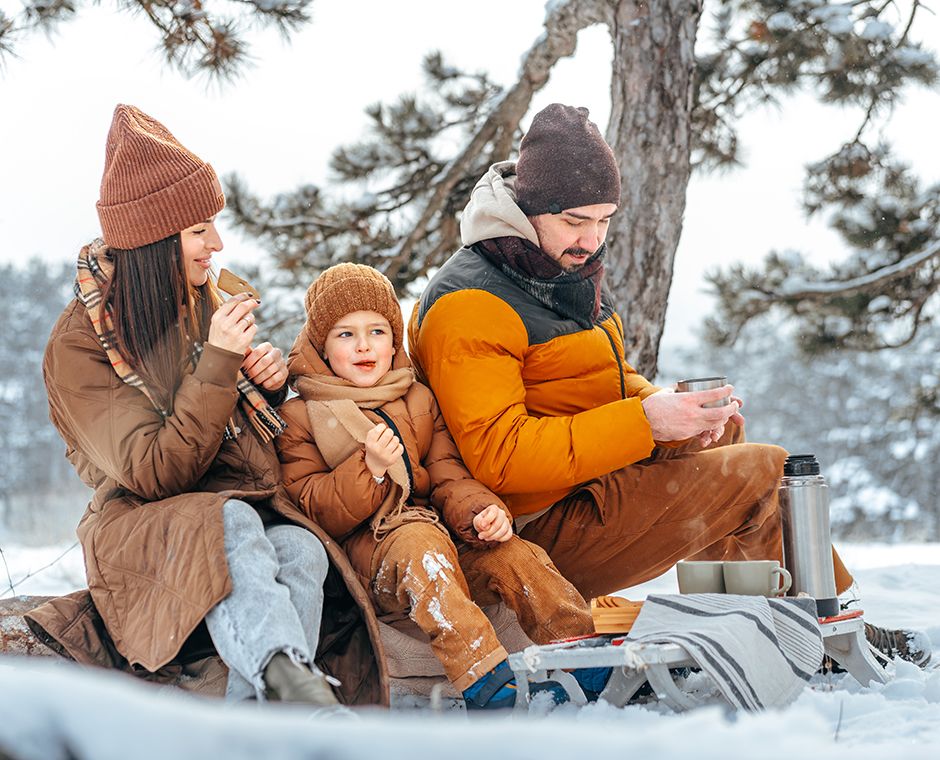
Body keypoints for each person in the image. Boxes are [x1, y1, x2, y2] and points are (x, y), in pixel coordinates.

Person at [408, 103, 930, 666]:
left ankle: (758, 628)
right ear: (526, 210)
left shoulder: (552, 267)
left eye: (605, 220)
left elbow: (596, 378)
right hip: (524, 529)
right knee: (765, 473)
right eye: (575, 221)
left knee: (725, 438)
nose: (591, 239)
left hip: (581, 487)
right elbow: (498, 458)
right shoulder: (471, 304)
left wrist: (662, 404)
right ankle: (833, 632)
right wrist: (646, 423)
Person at [32, 105, 384, 711]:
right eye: (199, 230)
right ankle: (298, 695)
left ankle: (267, 718)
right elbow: (152, 473)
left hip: (231, 518)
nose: (217, 246)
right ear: (155, 240)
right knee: (231, 524)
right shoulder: (78, 345)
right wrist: (219, 364)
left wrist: (265, 389)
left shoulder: (205, 302)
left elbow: (239, 450)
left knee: (300, 549)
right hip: (141, 533)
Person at [275, 263, 612, 709]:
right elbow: (314, 510)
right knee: (420, 549)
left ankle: (586, 650)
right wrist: (368, 468)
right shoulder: (302, 414)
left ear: (394, 340)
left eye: (377, 331)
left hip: (441, 533)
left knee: (513, 554)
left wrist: (480, 512)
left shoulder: (417, 396)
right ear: (321, 344)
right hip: (371, 554)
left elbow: (449, 473)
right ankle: (484, 679)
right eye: (345, 334)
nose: (363, 346)